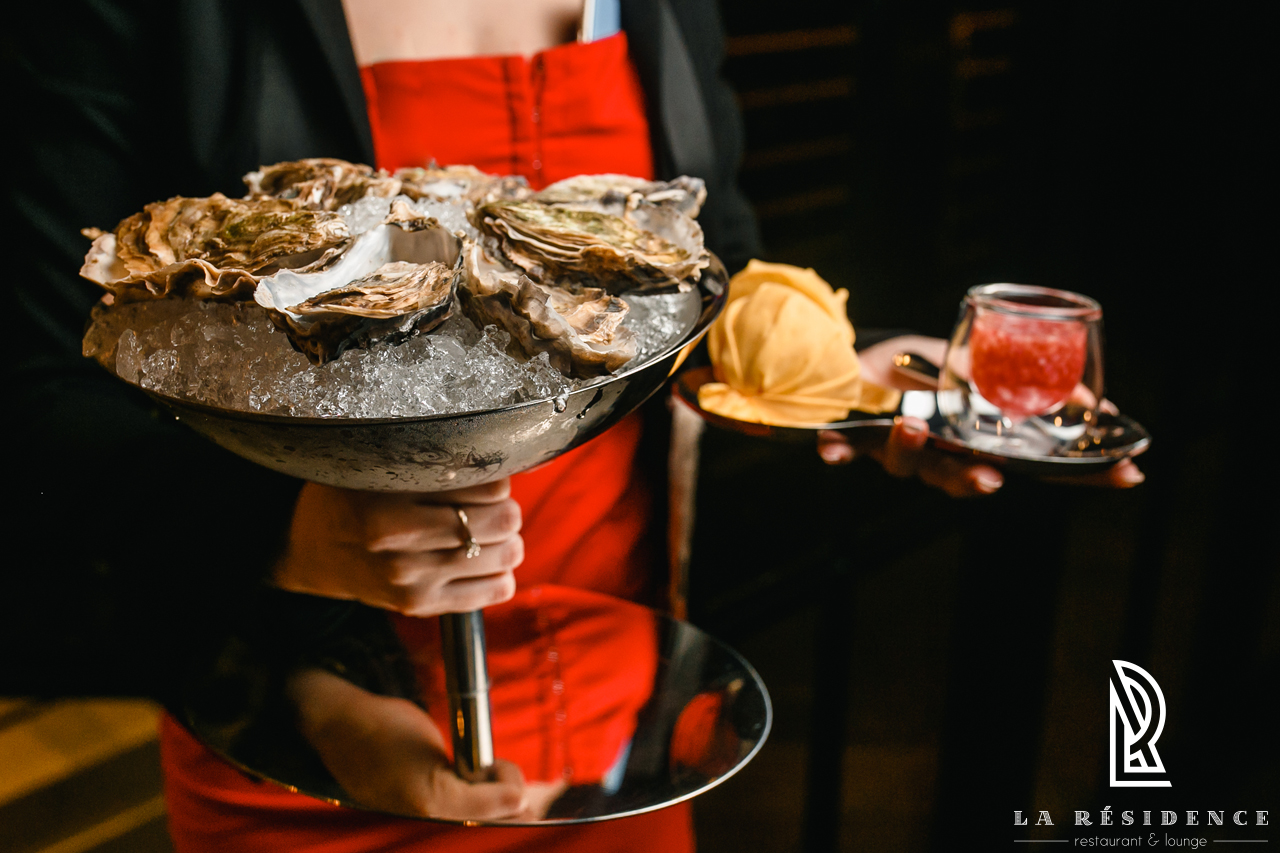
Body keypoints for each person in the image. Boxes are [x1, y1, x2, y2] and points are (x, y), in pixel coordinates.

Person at [3, 1, 1142, 850]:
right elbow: (35, 391)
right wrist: (290, 531)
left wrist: (840, 372)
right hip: (304, 731)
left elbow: (687, 276)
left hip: (622, 724)